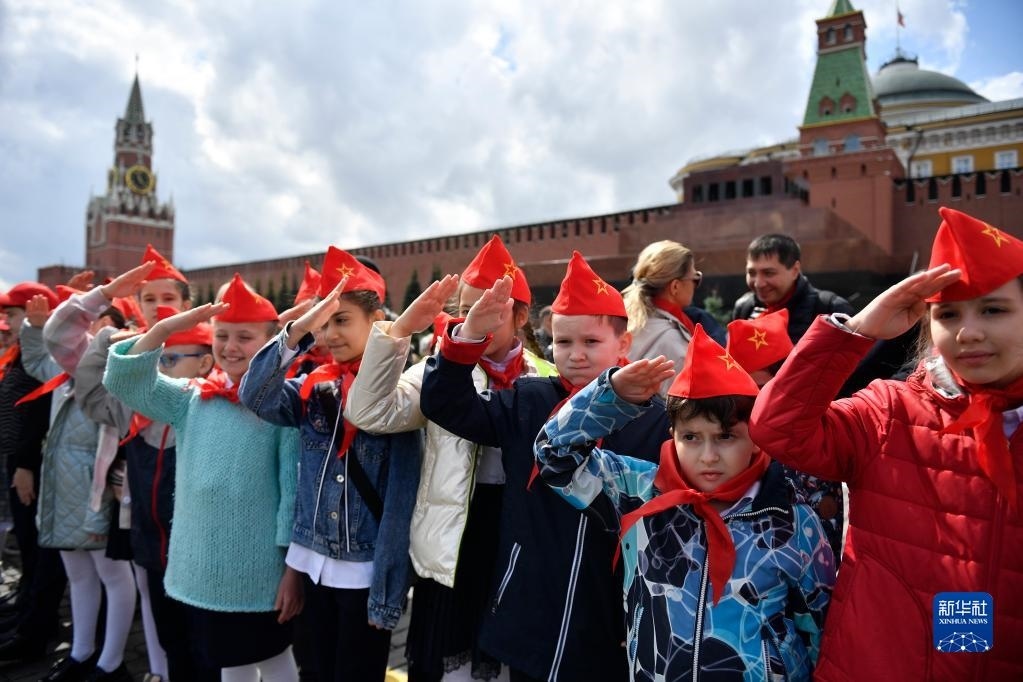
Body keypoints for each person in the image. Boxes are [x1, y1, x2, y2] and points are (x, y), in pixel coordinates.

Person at [747, 207, 1023, 680]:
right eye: (947, 314)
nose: (968, 332)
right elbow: (777, 428)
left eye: (993, 310)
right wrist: (856, 331)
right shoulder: (889, 411)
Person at [420, 251, 670, 681]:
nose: (575, 355)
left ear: (623, 344)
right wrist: (469, 335)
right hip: (529, 605)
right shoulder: (529, 399)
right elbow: (444, 404)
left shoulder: (655, 418)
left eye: (591, 342)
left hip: (608, 614)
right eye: (563, 342)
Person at [535, 325, 835, 680]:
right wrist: (610, 396)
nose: (708, 456)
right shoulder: (637, 492)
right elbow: (553, 455)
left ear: (755, 438)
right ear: (672, 434)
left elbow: (821, 630)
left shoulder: (792, 521)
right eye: (691, 437)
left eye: (726, 437)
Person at [346, 234, 556, 682]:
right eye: (465, 309)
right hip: (452, 547)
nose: (474, 318)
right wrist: (400, 330)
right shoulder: (440, 372)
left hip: (517, 540)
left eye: (490, 309)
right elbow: (369, 412)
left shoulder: (548, 378)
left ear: (520, 316)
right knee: (447, 666)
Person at [103, 273, 302, 682]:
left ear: (271, 343)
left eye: (244, 337)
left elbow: (291, 494)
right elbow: (123, 381)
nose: (230, 347)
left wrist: (292, 571)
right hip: (200, 569)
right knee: (228, 660)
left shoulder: (281, 406)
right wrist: (163, 329)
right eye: (221, 335)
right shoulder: (191, 398)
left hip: (258, 571)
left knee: (272, 658)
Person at [240, 247, 421, 682]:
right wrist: (298, 331)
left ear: (376, 321)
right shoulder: (314, 388)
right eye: (326, 324)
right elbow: (255, 395)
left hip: (364, 573)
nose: (332, 334)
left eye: (342, 320)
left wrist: (388, 590)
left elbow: (401, 500)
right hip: (313, 563)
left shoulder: (400, 396)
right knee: (315, 671)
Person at [71, 258, 219, 682]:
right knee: (172, 642)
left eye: (169, 359)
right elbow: (91, 395)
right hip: (152, 550)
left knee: (206, 650)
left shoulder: (213, 411)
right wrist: (106, 342)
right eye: (157, 360)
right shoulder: (133, 406)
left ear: (205, 363)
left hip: (201, 557)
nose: (160, 369)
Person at [725, 309, 845, 562]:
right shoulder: (723, 443)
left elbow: (825, 547)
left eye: (762, 389)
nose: (752, 402)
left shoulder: (815, 441)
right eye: (739, 392)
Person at [0, 281, 68, 666]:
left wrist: (25, 464)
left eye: (12, 314)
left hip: (33, 463)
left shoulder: (43, 354)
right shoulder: (25, 350)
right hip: (20, 459)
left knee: (37, 547)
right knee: (29, 546)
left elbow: (36, 414)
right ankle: (26, 611)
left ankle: (35, 625)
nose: (6, 322)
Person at [621, 240, 699, 396]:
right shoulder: (673, 341)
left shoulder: (619, 322)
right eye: (695, 278)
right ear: (675, 286)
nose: (695, 285)